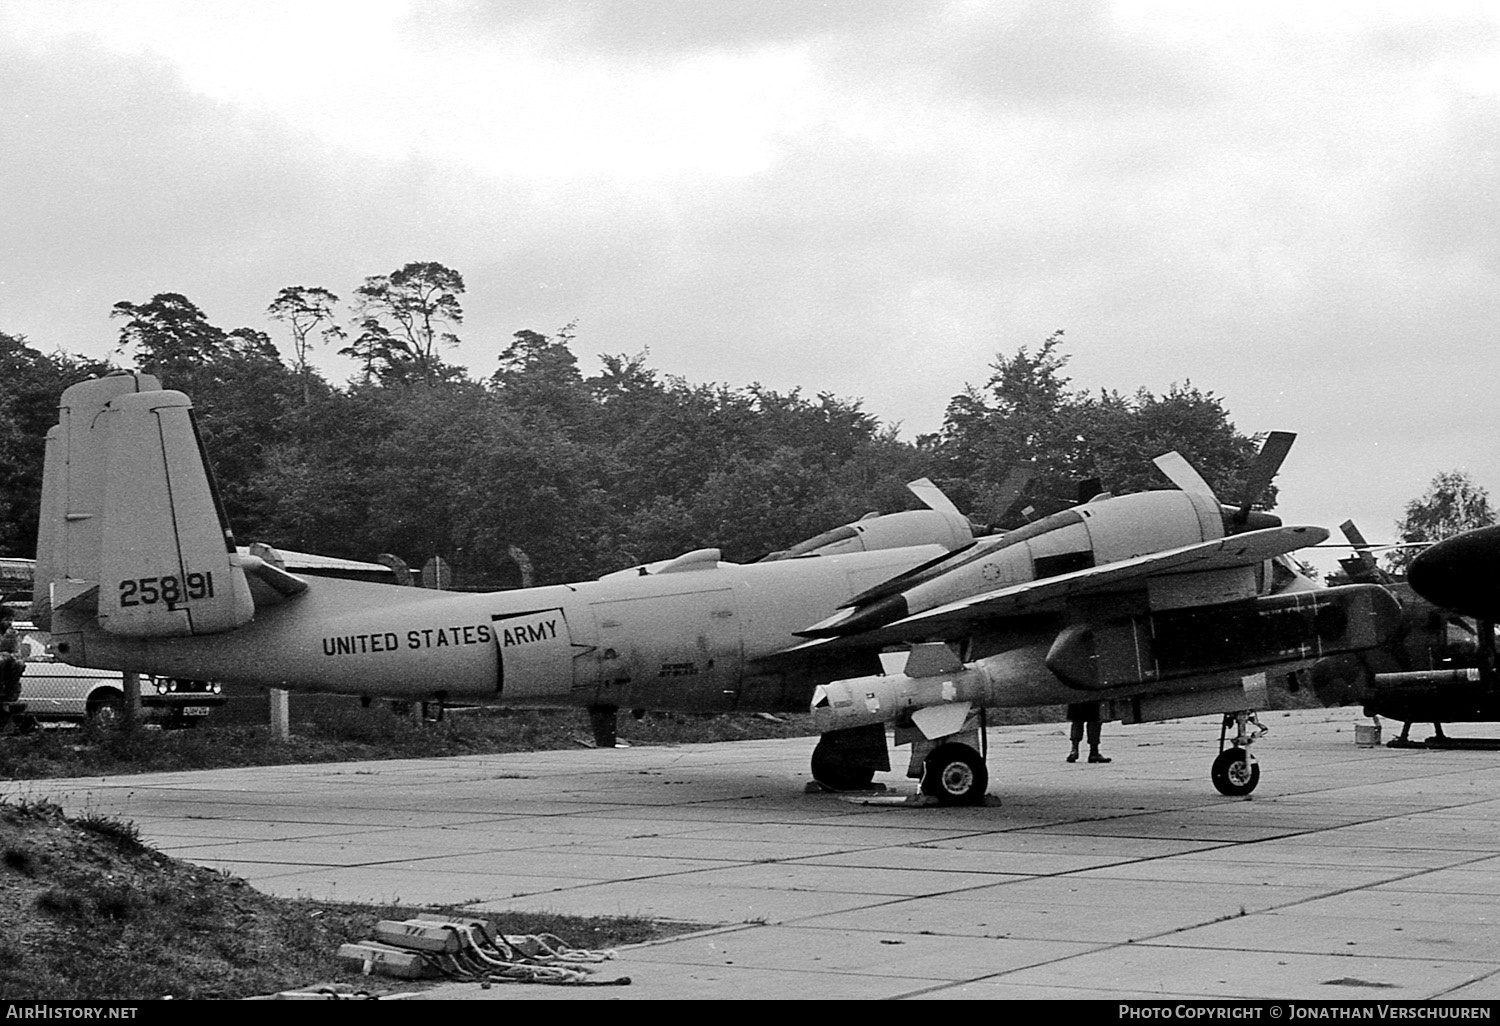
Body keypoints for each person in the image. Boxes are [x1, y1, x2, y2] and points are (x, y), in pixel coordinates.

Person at [0, 607, 24, 705]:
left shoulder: (13, 633)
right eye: (6, 620)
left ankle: (11, 691)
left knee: (19, 663)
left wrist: (14, 655)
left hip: (9, 660)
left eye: (11, 620)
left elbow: (17, 651)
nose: (9, 623)